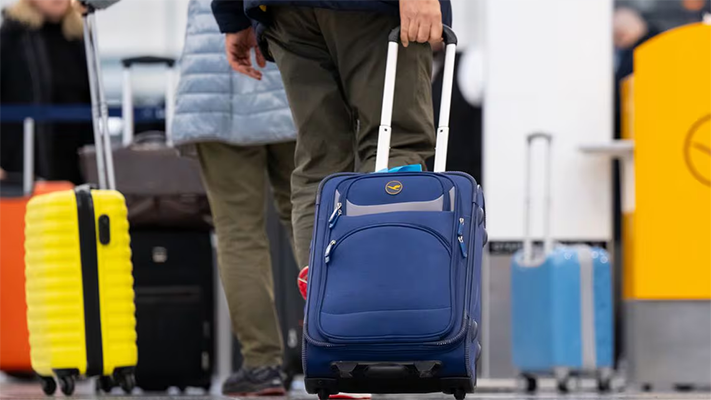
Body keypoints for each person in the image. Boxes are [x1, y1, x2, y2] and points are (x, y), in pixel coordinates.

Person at [211, 0, 452, 294]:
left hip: (284, 13)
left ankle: (333, 315)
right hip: (372, 10)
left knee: (319, 160)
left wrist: (232, 14)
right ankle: (388, 305)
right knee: (395, 144)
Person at [171, 0, 297, 395]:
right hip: (288, 78)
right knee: (309, 215)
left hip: (216, 85)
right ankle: (345, 349)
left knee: (239, 233)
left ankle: (262, 365)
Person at [0, 0, 93, 185]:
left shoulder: (78, 37)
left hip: (72, 166)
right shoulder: (12, 36)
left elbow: (89, 102)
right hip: (19, 166)